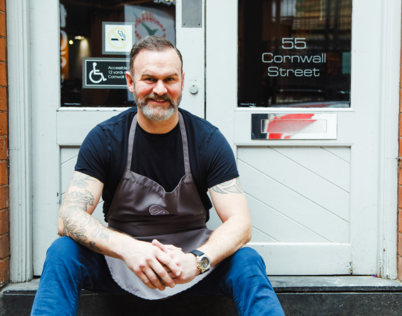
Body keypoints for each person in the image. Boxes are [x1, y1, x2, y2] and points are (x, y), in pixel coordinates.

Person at [31, 36, 285, 315]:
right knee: (62, 253)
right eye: (149, 79)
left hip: (189, 265)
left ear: (183, 81)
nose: (160, 90)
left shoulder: (207, 140)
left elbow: (241, 223)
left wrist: (197, 261)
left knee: (248, 260)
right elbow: (68, 216)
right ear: (130, 82)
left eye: (170, 79)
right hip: (121, 263)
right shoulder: (106, 138)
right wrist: (129, 249)